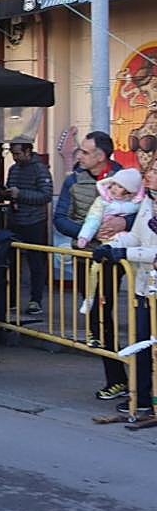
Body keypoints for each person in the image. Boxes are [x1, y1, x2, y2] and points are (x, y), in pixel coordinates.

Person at [53, 131, 132, 401]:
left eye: (85, 152)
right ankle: (118, 378)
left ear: (101, 156)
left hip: (115, 258)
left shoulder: (125, 178)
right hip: (85, 257)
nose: (80, 156)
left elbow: (142, 213)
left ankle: (123, 380)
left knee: (106, 315)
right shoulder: (73, 180)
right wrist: (89, 232)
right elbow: (60, 219)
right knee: (96, 318)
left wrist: (124, 223)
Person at [92, 165, 157, 420]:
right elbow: (136, 237)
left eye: (155, 171)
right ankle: (141, 398)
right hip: (144, 287)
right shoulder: (148, 202)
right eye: (150, 170)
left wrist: (124, 253)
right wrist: (112, 245)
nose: (149, 175)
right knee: (141, 343)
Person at [1, 138, 54, 315]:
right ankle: (12, 299)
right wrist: (7, 193)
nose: (15, 157)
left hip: (34, 221)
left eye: (17, 153)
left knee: (35, 262)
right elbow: (11, 188)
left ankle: (35, 300)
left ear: (28, 152)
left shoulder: (40, 169)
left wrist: (20, 194)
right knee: (12, 262)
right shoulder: (13, 169)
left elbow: (46, 195)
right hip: (15, 220)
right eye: (12, 153)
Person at [77, 168, 143, 248]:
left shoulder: (136, 203)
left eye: (120, 186)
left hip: (131, 240)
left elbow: (142, 219)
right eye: (114, 183)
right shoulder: (103, 201)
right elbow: (93, 219)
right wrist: (84, 236)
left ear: (129, 191)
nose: (114, 188)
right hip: (107, 237)